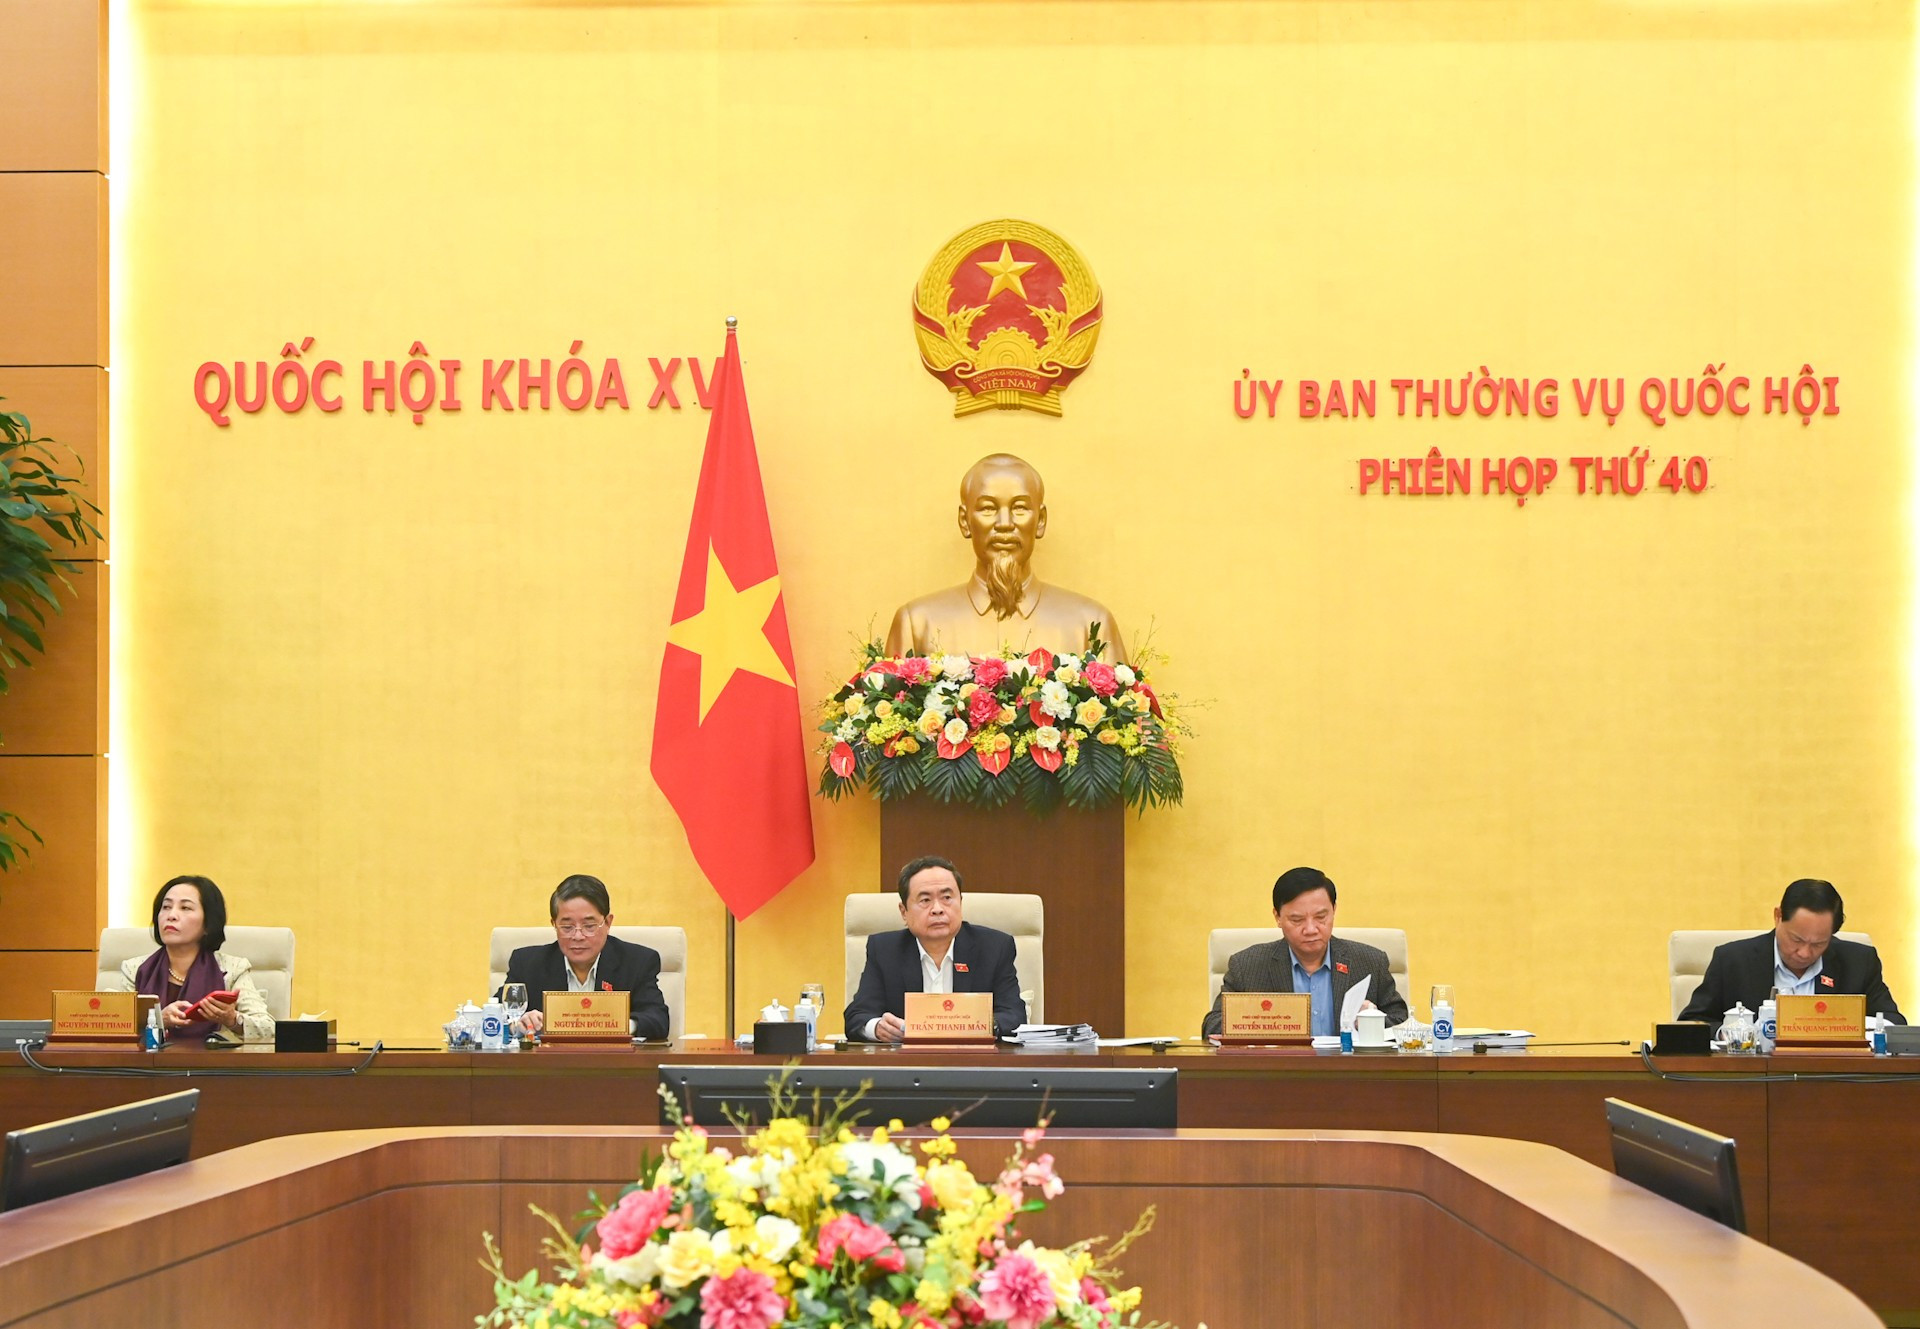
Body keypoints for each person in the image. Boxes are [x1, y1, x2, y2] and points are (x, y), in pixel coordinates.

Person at [885, 453, 1129, 663]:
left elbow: (1129, 715)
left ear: (1040, 521)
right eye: (988, 508)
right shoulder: (916, 624)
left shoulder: (1090, 625)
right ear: (964, 521)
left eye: (1020, 508)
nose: (1004, 524)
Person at [1202, 866, 1409, 1038]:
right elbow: (1212, 1025)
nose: (1311, 929)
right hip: (1278, 1078)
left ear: (1334, 910)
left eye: (1321, 917)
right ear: (1277, 917)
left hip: (1351, 1078)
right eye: (1297, 920)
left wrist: (1371, 1018)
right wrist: (1259, 1021)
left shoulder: (1369, 962)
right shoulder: (1247, 966)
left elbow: (1402, 1022)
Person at [844, 855, 1027, 1041]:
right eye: (925, 900)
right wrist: (877, 1028)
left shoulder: (995, 948)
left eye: (947, 897)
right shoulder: (884, 950)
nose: (937, 909)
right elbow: (857, 1017)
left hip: (974, 1063)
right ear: (903, 911)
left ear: (961, 902)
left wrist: (982, 1026)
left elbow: (1014, 1015)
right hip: (907, 1064)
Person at [1679, 879, 1905, 1024]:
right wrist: (1730, 1032)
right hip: (1754, 1085)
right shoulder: (1732, 960)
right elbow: (1693, 1022)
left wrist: (1854, 1026)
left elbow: (1894, 1023)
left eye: (1819, 943)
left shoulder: (1859, 962)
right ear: (1778, 917)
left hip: (1833, 1085)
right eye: (1796, 939)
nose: (1805, 953)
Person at [503, 874, 671, 1041]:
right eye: (567, 927)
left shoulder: (637, 962)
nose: (578, 936)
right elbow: (493, 1017)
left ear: (608, 923)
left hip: (612, 1063)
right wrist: (516, 1025)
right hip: (547, 1065)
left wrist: (621, 1026)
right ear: (554, 924)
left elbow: (658, 1020)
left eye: (589, 926)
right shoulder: (527, 963)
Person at [109, 875, 274, 1043]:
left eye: (185, 908)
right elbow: (116, 1029)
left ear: (208, 923)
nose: (171, 915)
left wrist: (232, 1020)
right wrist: (159, 1020)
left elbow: (269, 1029)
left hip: (213, 1066)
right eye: (166, 907)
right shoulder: (135, 969)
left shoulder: (232, 969)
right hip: (148, 1067)